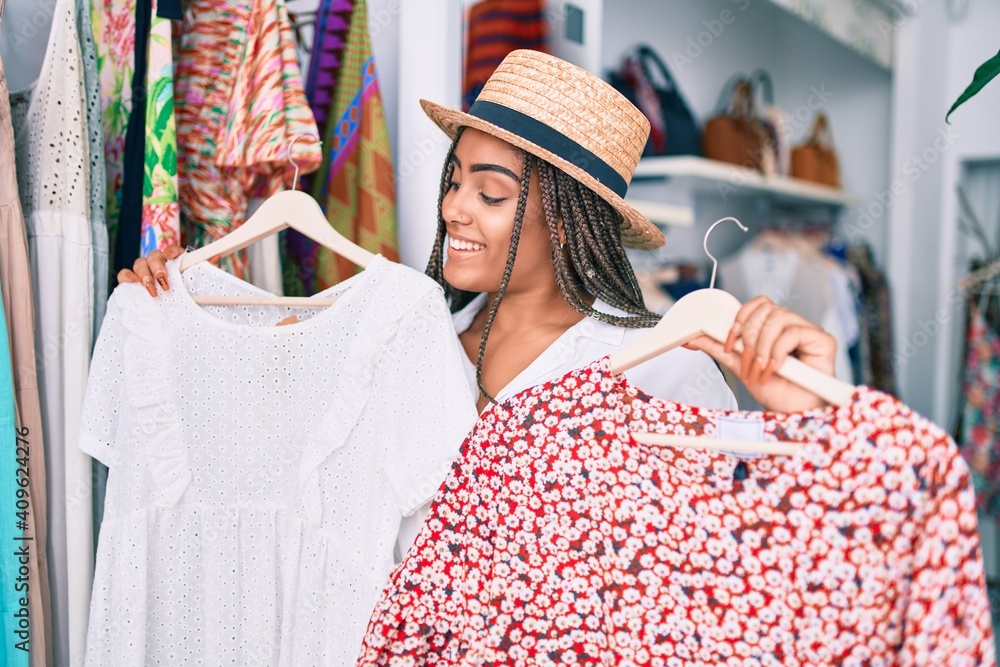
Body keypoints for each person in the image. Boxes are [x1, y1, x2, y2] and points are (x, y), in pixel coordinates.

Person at [117, 49, 838, 544]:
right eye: (455, 180)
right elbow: (246, 447)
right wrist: (183, 311)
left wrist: (803, 415)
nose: (455, 208)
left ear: (568, 218)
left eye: (492, 192)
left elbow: (747, 545)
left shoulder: (657, 368)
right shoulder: (399, 340)